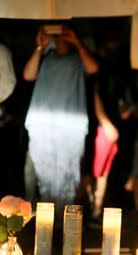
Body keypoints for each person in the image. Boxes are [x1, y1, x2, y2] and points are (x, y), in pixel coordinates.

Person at [23, 25, 98, 216]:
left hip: (71, 126)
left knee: (68, 178)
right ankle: (47, 225)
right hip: (42, 125)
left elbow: (93, 68)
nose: (60, 38)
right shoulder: (46, 58)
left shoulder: (78, 58)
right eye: (57, 34)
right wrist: (40, 47)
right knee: (44, 179)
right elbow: (27, 75)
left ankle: (64, 225)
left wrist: (77, 42)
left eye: (63, 33)